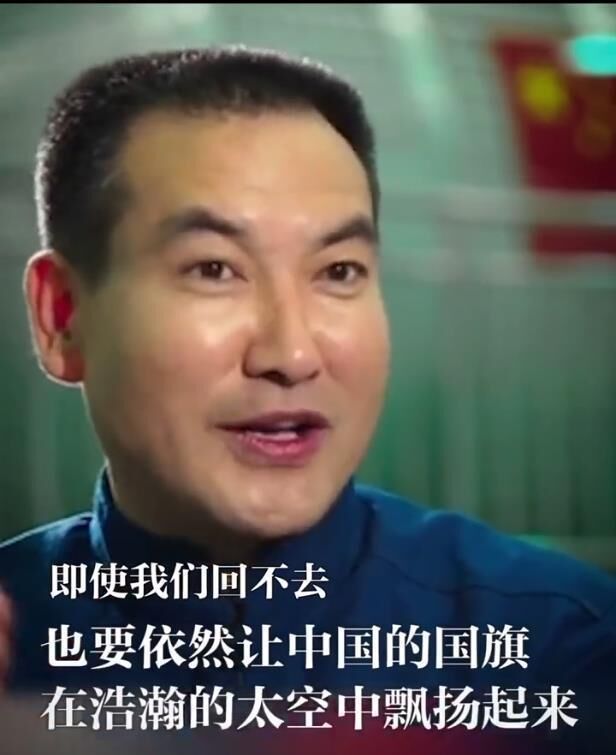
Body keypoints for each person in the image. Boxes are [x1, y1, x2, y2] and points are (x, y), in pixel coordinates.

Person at [0, 46, 614, 752]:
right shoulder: (20, 632)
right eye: (213, 268)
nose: (292, 355)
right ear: (62, 316)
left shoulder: (559, 646)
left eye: (339, 270)